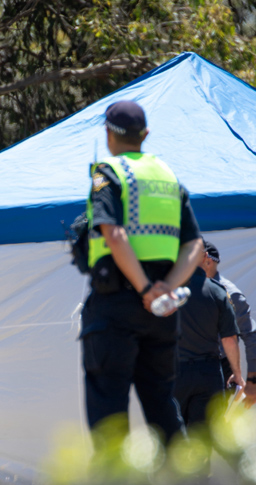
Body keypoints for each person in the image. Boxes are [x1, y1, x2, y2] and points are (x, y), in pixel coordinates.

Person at [80, 100, 204, 446]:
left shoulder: (108, 172)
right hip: (161, 313)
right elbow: (195, 246)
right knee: (162, 404)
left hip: (115, 305)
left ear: (108, 133)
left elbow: (114, 234)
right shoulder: (168, 176)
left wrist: (145, 287)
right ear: (145, 135)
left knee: (109, 412)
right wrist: (165, 289)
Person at [173, 262, 242, 428]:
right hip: (208, 373)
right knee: (203, 437)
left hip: (174, 372)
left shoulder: (167, 290)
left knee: (172, 434)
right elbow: (229, 339)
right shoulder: (217, 291)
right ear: (203, 258)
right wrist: (237, 373)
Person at [200, 241, 256, 406]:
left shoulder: (231, 295)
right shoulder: (187, 289)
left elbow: (250, 337)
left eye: (195, 257)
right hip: (189, 365)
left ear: (208, 260)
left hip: (220, 367)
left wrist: (251, 381)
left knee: (216, 425)